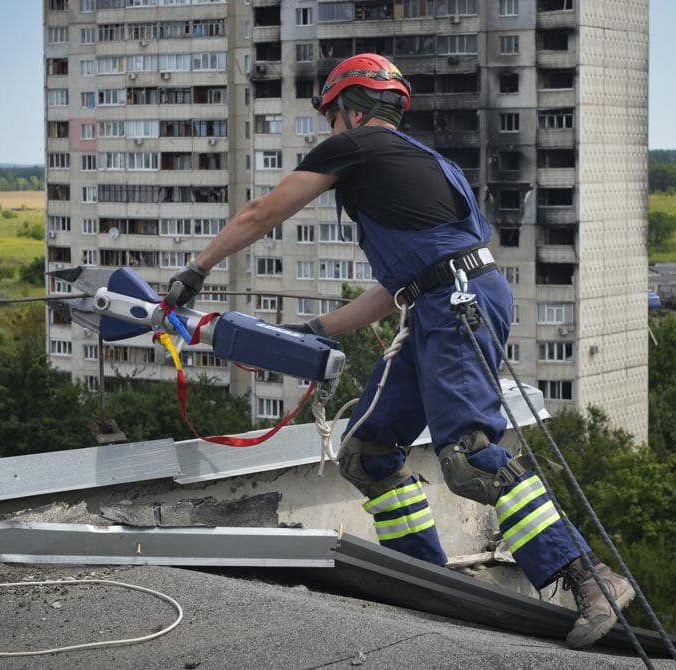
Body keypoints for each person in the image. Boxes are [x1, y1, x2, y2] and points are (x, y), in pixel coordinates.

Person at [166, 53, 634, 649]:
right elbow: (400, 286)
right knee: (369, 451)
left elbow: (263, 212)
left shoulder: (354, 147)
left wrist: (197, 269)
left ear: (349, 110)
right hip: (445, 298)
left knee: (468, 454)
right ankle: (428, 582)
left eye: (332, 118)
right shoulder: (431, 166)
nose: (331, 131)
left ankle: (588, 577)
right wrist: (321, 329)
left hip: (455, 301)